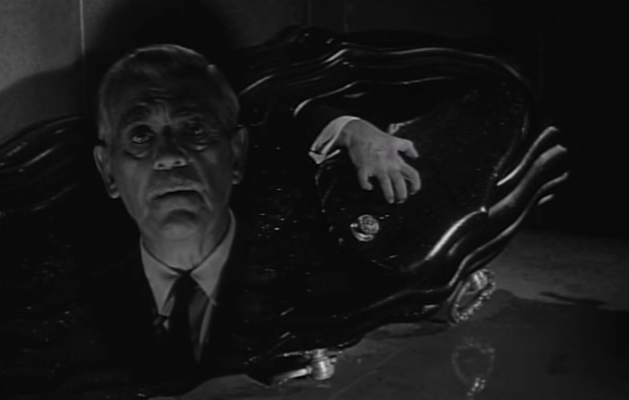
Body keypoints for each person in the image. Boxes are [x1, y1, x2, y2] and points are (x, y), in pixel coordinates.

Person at [90, 44, 421, 382]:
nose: (168, 156)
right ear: (108, 171)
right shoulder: (88, 309)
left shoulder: (298, 260)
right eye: (141, 136)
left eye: (194, 130)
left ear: (236, 155)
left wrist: (353, 131)